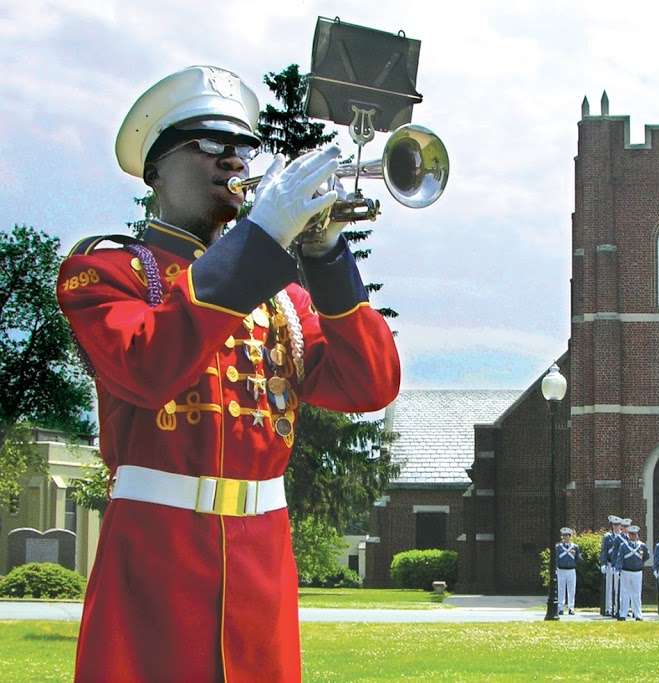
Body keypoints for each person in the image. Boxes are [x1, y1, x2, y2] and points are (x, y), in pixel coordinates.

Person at [57, 65, 401, 682]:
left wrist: (324, 256)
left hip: (261, 560)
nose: (234, 161)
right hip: (154, 558)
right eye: (210, 144)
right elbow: (145, 368)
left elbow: (368, 385)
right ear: (156, 171)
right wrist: (263, 237)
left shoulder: (281, 297)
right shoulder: (108, 272)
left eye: (245, 147)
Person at [614, 525, 649, 621]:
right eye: (631, 534)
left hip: (637, 572)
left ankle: (638, 614)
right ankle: (623, 614)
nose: (633, 536)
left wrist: (639, 564)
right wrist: (618, 569)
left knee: (637, 594)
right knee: (624, 593)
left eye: (635, 534)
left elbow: (646, 556)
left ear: (637, 535)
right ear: (629, 535)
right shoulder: (624, 545)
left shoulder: (642, 546)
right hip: (626, 571)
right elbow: (620, 558)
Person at [600, 516, 622, 616]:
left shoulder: (624, 537)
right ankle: (609, 609)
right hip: (610, 564)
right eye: (614, 525)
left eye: (617, 525)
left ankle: (619, 608)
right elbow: (604, 551)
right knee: (609, 588)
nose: (616, 527)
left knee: (621, 588)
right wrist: (603, 564)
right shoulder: (607, 537)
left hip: (620, 566)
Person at [555, 527, 580, 616]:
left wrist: (575, 554)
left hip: (571, 570)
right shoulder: (558, 547)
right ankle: (560, 608)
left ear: (570, 536)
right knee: (561, 589)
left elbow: (579, 559)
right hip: (561, 569)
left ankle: (571, 608)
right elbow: (556, 559)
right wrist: (555, 569)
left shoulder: (575, 547)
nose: (566, 537)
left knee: (571, 589)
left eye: (567, 535)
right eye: (564, 536)